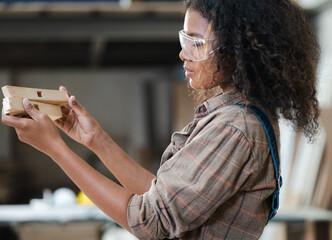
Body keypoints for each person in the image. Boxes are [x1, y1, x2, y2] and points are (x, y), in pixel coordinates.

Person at [2, 0, 320, 239]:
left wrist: (56, 149)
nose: (183, 53)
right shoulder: (238, 117)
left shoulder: (236, 128)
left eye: (196, 43)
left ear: (239, 46)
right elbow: (162, 198)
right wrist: (94, 140)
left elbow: (151, 221)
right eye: (184, 40)